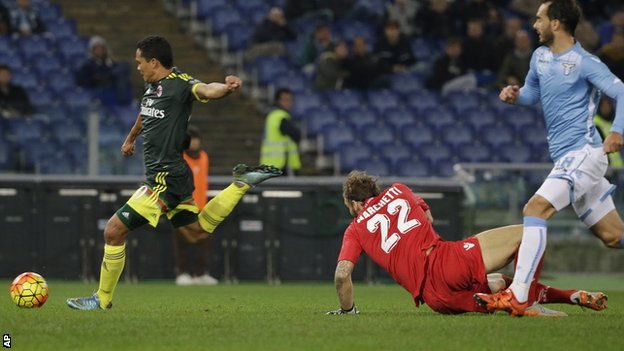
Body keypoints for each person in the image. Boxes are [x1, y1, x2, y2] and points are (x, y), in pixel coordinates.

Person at [66, 35, 282, 310]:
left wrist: (226, 88)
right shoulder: (151, 88)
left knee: (113, 231)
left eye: (139, 62)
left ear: (154, 62)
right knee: (196, 232)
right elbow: (145, 114)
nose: (138, 67)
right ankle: (240, 184)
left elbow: (206, 89)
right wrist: (131, 138)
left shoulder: (180, 84)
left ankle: (101, 299)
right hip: (173, 175)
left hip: (163, 177)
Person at [475, 0, 624, 317]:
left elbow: (621, 91)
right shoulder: (539, 57)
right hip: (567, 159)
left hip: (584, 153)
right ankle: (519, 295)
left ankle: (518, 295)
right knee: (614, 236)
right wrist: (515, 96)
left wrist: (617, 132)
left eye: (539, 19)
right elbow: (532, 94)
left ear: (556, 23)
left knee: (535, 209)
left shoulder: (585, 62)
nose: (534, 24)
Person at [327, 171, 607, 316]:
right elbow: (428, 216)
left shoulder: (354, 229)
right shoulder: (399, 189)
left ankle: (570, 295)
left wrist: (348, 311)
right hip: (446, 262)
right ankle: (527, 301)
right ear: (375, 192)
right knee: (529, 231)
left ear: (353, 203)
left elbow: (342, 275)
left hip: (436, 299)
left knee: (497, 284)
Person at [173, 125, 218, 286]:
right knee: (181, 242)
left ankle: (200, 273)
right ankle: (182, 273)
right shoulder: (180, 157)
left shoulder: (204, 156)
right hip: (182, 206)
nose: (194, 143)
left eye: (196, 140)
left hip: (201, 207)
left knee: (205, 243)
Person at [76, 36, 133, 106]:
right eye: (96, 49)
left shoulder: (109, 62)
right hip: (101, 86)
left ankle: (125, 101)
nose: (99, 51)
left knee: (124, 66)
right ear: (92, 51)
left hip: (112, 81)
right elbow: (84, 80)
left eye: (100, 48)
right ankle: (123, 100)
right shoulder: (89, 65)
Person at [259, 88, 301, 175]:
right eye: (286, 100)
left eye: (290, 100)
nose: (289, 103)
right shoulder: (280, 116)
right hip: (281, 165)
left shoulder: (272, 116)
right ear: (278, 101)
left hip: (270, 165)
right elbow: (296, 134)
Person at [594, 97, 623, 167]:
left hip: (617, 168)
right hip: (605, 167)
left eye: (608, 105)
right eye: (603, 106)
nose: (606, 108)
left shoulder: (612, 123)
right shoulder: (595, 122)